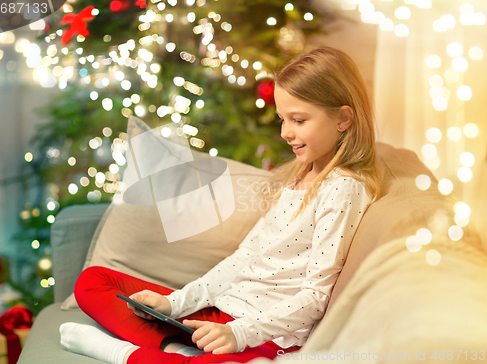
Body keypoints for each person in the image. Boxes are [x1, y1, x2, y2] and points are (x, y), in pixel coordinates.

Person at [59, 46, 383, 364]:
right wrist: (173, 304)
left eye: (298, 120)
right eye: (283, 119)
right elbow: (244, 258)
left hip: (267, 337)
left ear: (343, 118)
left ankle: (126, 353)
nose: (285, 132)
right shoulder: (298, 177)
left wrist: (240, 334)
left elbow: (315, 298)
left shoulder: (343, 190)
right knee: (94, 281)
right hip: (222, 314)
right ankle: (176, 350)